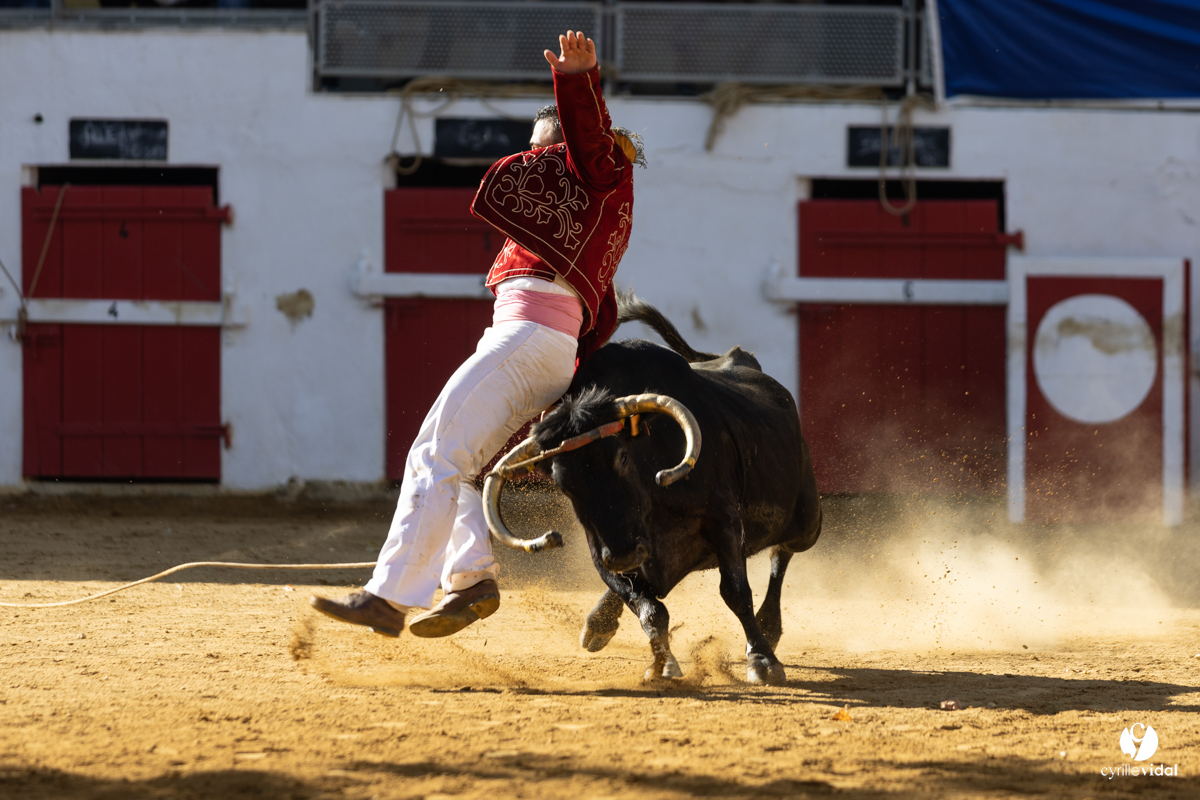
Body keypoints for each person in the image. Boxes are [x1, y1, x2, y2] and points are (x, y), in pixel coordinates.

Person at [311, 30, 643, 639]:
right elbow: (601, 315)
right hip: (543, 346)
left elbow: (589, 144)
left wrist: (579, 81)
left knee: (433, 453)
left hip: (525, 338)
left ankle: (388, 597)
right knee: (456, 463)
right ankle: (469, 580)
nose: (538, 162)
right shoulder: (586, 224)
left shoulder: (597, 171)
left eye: (550, 152)